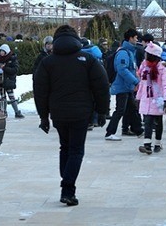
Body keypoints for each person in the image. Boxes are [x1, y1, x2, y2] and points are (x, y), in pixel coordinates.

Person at [33, 25, 109, 206]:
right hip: (81, 113)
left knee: (65, 147)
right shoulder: (88, 59)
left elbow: (40, 91)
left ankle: (67, 180)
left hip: (58, 113)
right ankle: (67, 187)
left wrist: (43, 116)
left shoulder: (48, 62)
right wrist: (102, 111)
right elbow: (101, 86)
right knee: (76, 150)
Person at [104, 28, 143, 140]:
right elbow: (122, 70)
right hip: (122, 86)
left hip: (127, 86)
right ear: (130, 38)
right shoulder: (123, 53)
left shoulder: (130, 52)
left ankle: (139, 130)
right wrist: (135, 81)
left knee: (132, 109)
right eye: (135, 38)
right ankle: (110, 133)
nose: (137, 40)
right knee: (120, 110)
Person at [136, 43, 166, 154]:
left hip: (158, 99)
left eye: (147, 54)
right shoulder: (144, 66)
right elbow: (142, 83)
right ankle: (147, 144)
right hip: (146, 98)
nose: (145, 56)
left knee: (158, 121)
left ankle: (157, 142)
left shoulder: (163, 68)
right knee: (147, 121)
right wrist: (138, 97)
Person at [0, 44, 24, 118]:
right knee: (2, 97)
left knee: (11, 96)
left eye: (3, 51)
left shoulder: (12, 59)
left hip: (8, 81)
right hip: (0, 80)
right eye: (0, 51)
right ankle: (3, 111)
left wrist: (5, 68)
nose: (1, 53)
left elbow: (15, 70)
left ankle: (17, 111)